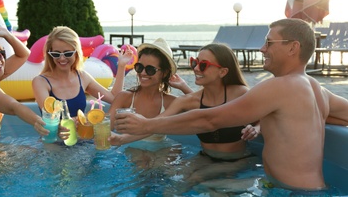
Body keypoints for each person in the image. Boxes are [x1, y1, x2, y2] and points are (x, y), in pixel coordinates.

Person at [115, 18, 348, 191]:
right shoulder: (318, 90)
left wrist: (147, 126)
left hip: (289, 191)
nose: (262, 49)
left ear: (293, 47)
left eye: (269, 42)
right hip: (310, 189)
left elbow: (209, 119)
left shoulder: (279, 87)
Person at [32, 26, 134, 118]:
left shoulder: (82, 77)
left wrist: (121, 66)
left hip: (83, 138)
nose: (62, 58)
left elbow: (114, 98)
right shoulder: (40, 82)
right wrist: (83, 120)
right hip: (55, 139)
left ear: (76, 53)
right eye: (56, 54)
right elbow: (51, 119)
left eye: (68, 53)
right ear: (50, 54)